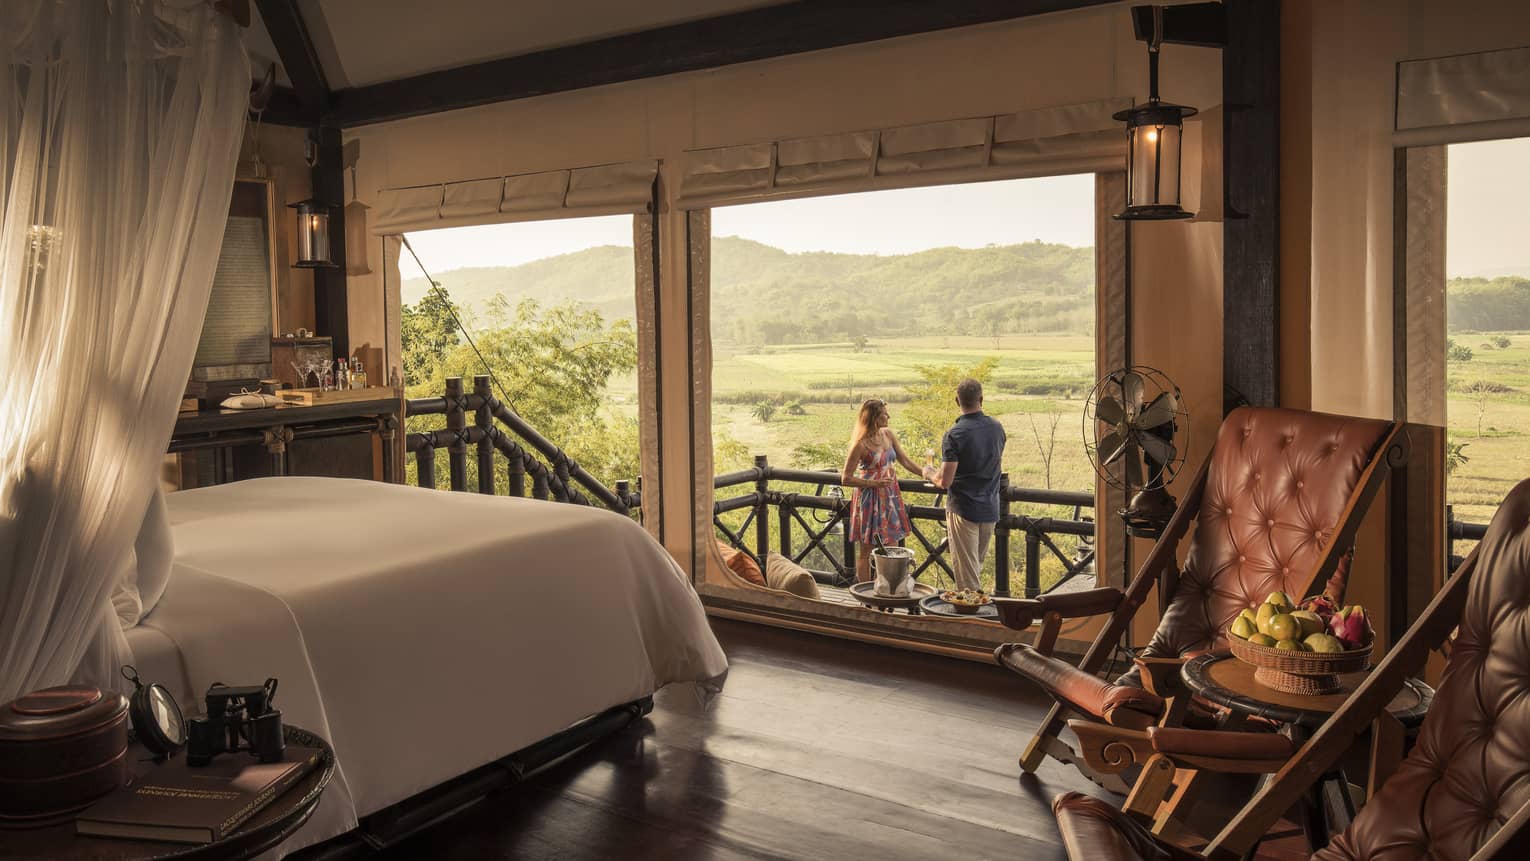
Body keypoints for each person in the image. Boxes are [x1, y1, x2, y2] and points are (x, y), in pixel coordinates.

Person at [923, 379, 1006, 592]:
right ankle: (975, 614)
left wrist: (929, 472)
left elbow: (945, 481)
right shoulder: (997, 428)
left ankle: (970, 619)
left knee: (967, 576)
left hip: (964, 509)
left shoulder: (955, 434)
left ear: (957, 401)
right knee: (975, 568)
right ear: (981, 398)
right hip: (990, 507)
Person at [841, 398, 925, 583]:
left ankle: (888, 589)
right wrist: (874, 484)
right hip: (869, 499)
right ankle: (866, 593)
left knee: (892, 545)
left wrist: (927, 474)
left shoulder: (887, 434)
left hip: (890, 496)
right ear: (874, 418)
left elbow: (905, 461)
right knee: (867, 548)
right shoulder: (861, 444)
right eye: (884, 414)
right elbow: (845, 478)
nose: (889, 416)